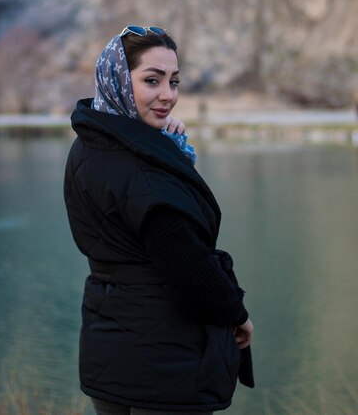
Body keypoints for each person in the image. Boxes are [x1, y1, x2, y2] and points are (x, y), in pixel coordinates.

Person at [64, 26, 254, 415]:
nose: (168, 95)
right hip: (166, 365)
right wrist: (237, 315)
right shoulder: (144, 172)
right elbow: (189, 270)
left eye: (174, 81)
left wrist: (166, 151)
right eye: (152, 80)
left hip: (110, 351)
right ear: (118, 79)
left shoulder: (90, 143)